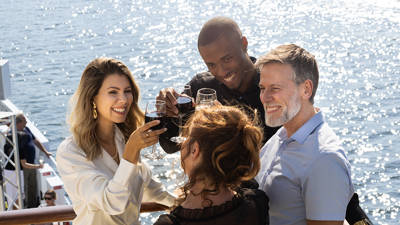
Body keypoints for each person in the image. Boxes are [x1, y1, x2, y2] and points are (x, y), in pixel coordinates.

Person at [56, 57, 175, 225]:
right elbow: (112, 203)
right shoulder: (71, 152)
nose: (124, 99)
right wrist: (131, 152)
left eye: (127, 91)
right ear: (93, 97)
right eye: (113, 92)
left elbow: (150, 187)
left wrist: (182, 205)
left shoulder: (124, 137)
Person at [255, 44, 354, 225]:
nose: (265, 97)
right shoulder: (283, 134)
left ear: (306, 89)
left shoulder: (325, 160)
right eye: (263, 88)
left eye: (275, 88)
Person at [157, 16, 279, 154]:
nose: (221, 72)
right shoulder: (200, 88)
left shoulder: (275, 87)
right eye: (211, 65)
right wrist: (167, 113)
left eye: (227, 59)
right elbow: (170, 146)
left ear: (244, 44)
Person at [154, 105, 269, 225]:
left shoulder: (169, 223)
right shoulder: (257, 204)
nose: (182, 142)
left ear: (195, 150)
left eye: (186, 137)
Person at [3, 115, 45, 209]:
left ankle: (18, 212)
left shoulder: (16, 141)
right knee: (16, 197)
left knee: (19, 196)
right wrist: (39, 166)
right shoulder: (18, 145)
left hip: (18, 171)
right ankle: (16, 216)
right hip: (15, 172)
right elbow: (24, 164)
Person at [15, 113, 51, 208]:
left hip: (32, 163)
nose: (26, 123)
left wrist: (45, 151)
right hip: (24, 166)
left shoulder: (26, 129)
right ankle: (27, 207)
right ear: (19, 123)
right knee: (25, 188)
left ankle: (33, 205)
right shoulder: (15, 135)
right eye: (24, 121)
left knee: (32, 186)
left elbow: (35, 141)